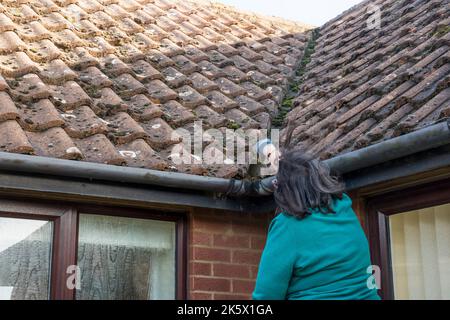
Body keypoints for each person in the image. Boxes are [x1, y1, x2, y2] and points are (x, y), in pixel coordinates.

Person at [252, 126, 380, 300]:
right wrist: (278, 159)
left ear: (286, 189)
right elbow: (302, 172)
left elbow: (266, 296)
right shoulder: (345, 211)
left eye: (278, 185)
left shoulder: (287, 226)